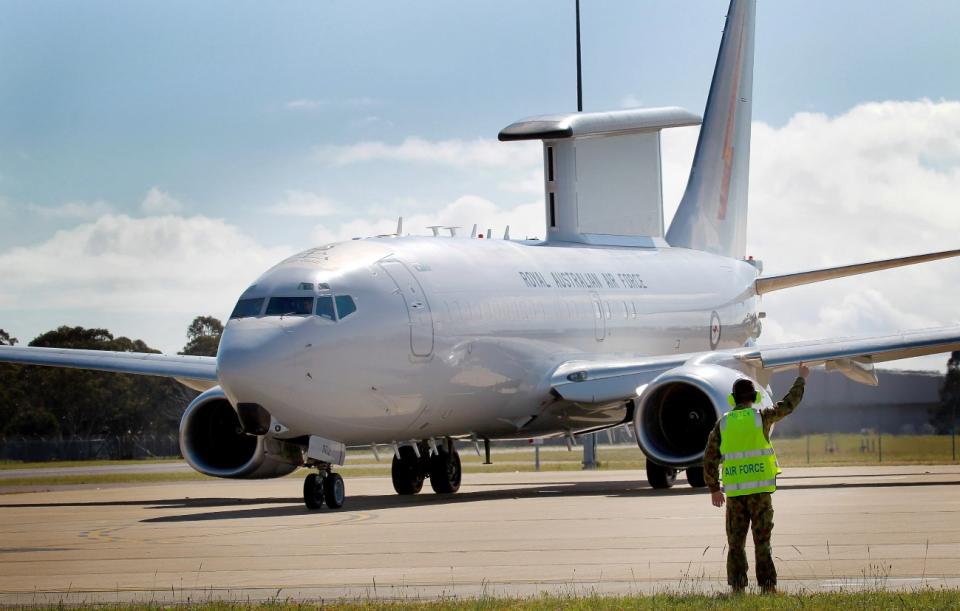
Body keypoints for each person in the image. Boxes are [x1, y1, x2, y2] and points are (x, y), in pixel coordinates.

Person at [703, 363, 810, 594]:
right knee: (762, 542)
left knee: (735, 545)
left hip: (735, 496)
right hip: (760, 494)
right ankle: (768, 587)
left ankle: (738, 588)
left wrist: (714, 488)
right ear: (755, 397)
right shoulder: (762, 418)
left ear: (733, 399)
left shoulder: (723, 423)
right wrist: (801, 378)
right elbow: (788, 404)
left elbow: (709, 456)